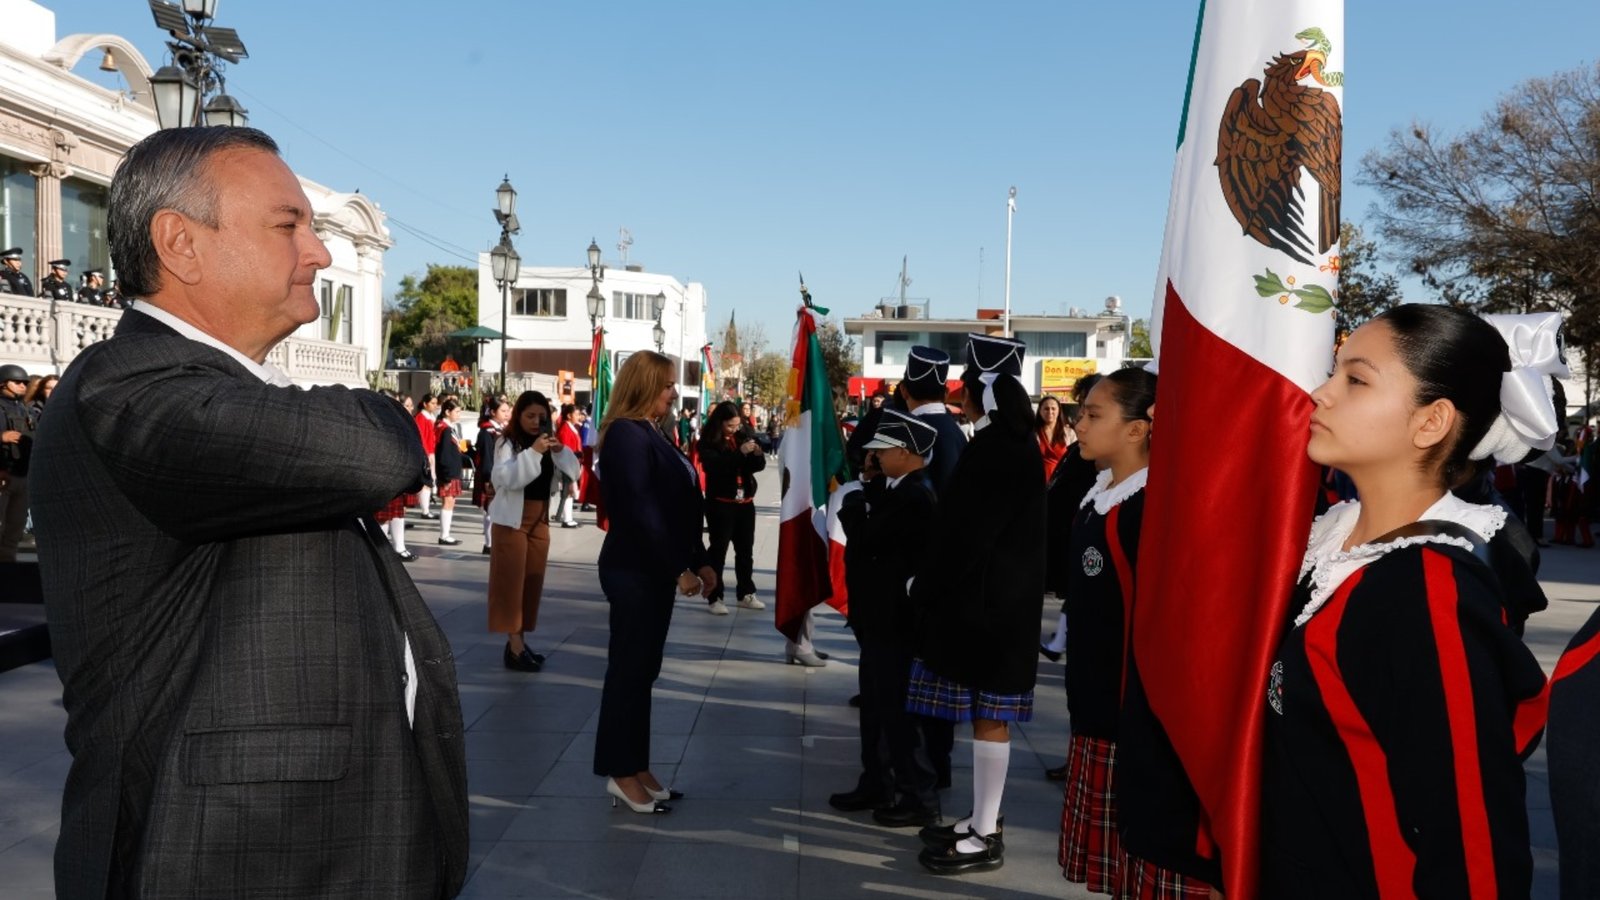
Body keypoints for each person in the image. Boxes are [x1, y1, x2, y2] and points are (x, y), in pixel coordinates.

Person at [31, 126, 467, 898]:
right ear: (182, 244)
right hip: (213, 854)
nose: (319, 254)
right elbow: (379, 452)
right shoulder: (128, 386)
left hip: (297, 844)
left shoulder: (200, 386)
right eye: (287, 225)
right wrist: (388, 414)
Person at [1261, 304, 1550, 897]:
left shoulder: (1430, 587)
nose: (1321, 393)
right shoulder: (1326, 538)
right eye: (1333, 371)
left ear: (1431, 422)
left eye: (1355, 379)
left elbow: (1472, 832)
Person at [1055, 368, 1208, 896]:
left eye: (1095, 415)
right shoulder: (1097, 493)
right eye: (1081, 413)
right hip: (1093, 703)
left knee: (1140, 856)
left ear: (1139, 429)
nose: (1079, 424)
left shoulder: (1149, 507)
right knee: (1113, 865)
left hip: (1130, 717)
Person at [908, 333, 1045, 875]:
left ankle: (986, 830)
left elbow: (968, 535)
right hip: (995, 609)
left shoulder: (1000, 449)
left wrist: (926, 584)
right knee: (986, 719)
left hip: (993, 612)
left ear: (982, 394)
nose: (958, 398)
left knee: (990, 719)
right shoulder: (1005, 445)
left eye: (964, 389)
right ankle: (980, 818)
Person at [593, 350, 716, 814]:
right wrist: (676, 568)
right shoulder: (626, 434)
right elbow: (641, 512)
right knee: (627, 672)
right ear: (645, 385)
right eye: (667, 384)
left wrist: (699, 560)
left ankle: (637, 764)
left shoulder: (652, 433)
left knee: (643, 671)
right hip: (634, 569)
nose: (673, 392)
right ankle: (620, 773)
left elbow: (680, 508)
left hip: (651, 569)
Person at [829, 410, 944, 828]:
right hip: (877, 621)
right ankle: (876, 780)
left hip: (896, 624)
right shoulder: (896, 489)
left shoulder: (916, 496)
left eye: (882, 450)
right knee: (876, 709)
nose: (874, 458)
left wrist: (857, 503)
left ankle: (919, 797)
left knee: (898, 714)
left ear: (906, 452)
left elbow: (868, 539)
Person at [488, 390, 579, 673]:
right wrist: (533, 453)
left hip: (540, 517)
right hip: (512, 519)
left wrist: (559, 451)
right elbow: (505, 479)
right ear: (518, 415)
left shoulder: (546, 441)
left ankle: (519, 642)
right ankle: (514, 646)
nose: (535, 421)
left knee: (530, 583)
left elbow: (574, 472)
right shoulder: (507, 441)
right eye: (529, 416)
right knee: (510, 583)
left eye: (540, 416)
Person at [697, 400, 767, 616]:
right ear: (720, 423)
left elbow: (756, 467)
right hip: (721, 503)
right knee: (719, 550)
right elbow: (716, 467)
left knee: (745, 550)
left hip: (745, 502)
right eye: (730, 426)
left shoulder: (742, 436)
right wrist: (739, 454)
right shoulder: (708, 442)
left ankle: (746, 592)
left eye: (737, 425)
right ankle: (714, 595)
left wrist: (756, 454)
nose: (734, 429)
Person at [0, 363, 35, 562]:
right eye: (17, 382)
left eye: (24, 383)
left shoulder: (25, 410)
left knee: (15, 527)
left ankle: (7, 568)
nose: (22, 386)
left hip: (22, 474)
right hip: (3, 474)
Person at [475, 397, 511, 553]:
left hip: (504, 473)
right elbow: (487, 457)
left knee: (500, 509)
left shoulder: (503, 429)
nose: (506, 414)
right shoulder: (487, 431)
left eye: (508, 410)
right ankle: (489, 544)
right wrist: (488, 478)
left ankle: (497, 541)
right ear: (493, 412)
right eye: (503, 411)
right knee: (490, 510)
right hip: (491, 475)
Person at [432, 398, 467, 545]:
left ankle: (446, 534)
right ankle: (444, 535)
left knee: (450, 502)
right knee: (448, 502)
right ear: (447, 412)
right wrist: (446, 477)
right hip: (448, 473)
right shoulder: (445, 429)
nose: (459, 414)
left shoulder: (449, 428)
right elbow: (444, 455)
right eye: (457, 411)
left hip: (452, 471)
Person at [554, 403, 584, 527]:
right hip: (567, 464)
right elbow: (566, 449)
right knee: (568, 491)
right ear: (569, 415)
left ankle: (568, 517)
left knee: (570, 492)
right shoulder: (565, 429)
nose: (579, 416)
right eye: (576, 414)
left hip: (573, 463)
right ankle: (566, 519)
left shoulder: (572, 427)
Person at [414, 392, 440, 518]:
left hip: (431, 451)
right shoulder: (421, 418)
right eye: (432, 403)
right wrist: (426, 453)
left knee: (430, 479)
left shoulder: (430, 417)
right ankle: (425, 510)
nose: (435, 406)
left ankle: (427, 507)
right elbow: (421, 437)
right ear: (425, 404)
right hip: (427, 452)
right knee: (426, 480)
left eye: (436, 403)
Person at [1035, 394, 1069, 483]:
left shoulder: (1069, 433)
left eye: (1053, 408)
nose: (1050, 412)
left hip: (1062, 481)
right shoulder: (1032, 433)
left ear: (1059, 411)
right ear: (1040, 411)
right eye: (1046, 409)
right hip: (1037, 482)